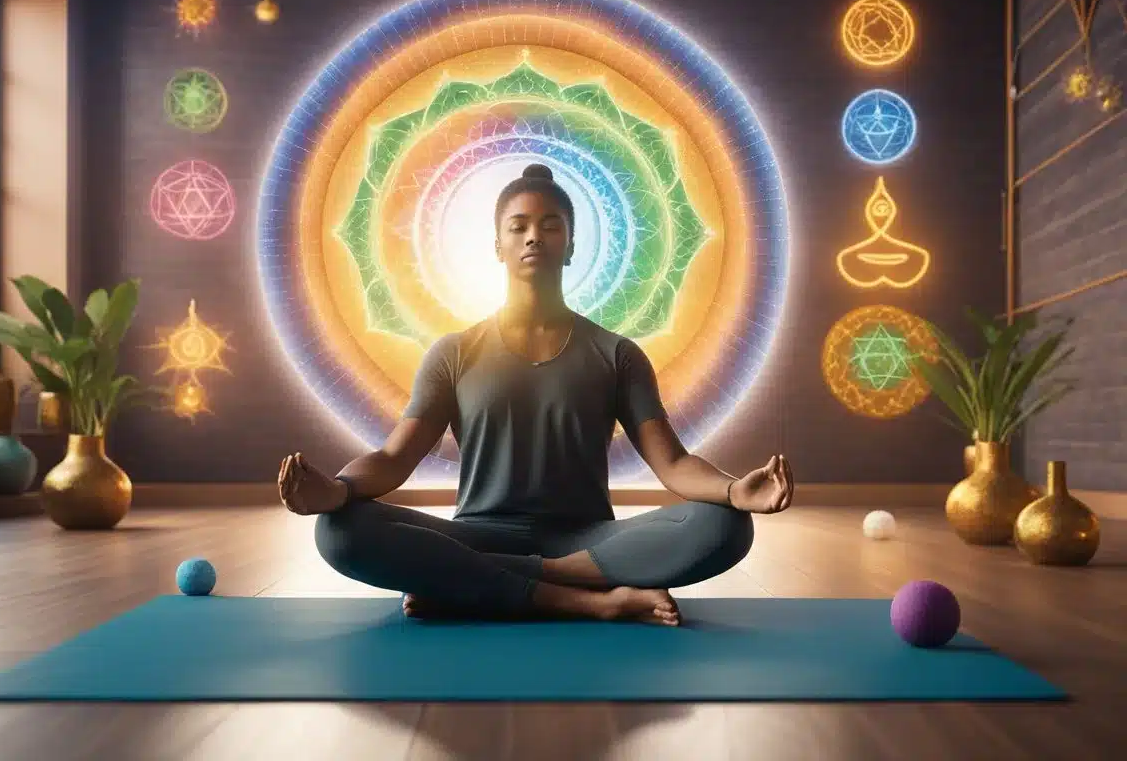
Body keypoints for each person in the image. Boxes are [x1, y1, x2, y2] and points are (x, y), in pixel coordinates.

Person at [278, 163, 794, 626]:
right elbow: (393, 459)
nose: (534, 237)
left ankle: (476, 586)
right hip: (477, 534)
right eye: (518, 227)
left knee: (725, 527)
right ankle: (588, 601)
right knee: (339, 531)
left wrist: (733, 491)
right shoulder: (454, 353)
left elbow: (674, 465)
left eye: (551, 226)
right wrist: (338, 491)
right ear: (497, 246)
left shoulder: (618, 354)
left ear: (570, 245)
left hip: (588, 540)